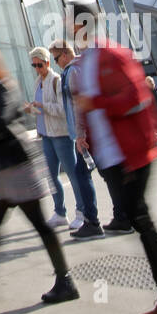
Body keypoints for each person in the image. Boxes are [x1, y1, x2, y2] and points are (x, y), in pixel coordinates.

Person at [69, 2, 157, 314]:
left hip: (131, 154)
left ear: (82, 24)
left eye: (70, 21)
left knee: (142, 221)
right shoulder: (87, 61)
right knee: (139, 221)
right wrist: (87, 137)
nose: (67, 27)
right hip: (111, 157)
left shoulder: (111, 54)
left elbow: (136, 99)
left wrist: (95, 103)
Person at [0, 45, 79, 304]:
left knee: (38, 224)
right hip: (4, 169)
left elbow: (2, 120)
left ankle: (66, 280)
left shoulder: (3, 87)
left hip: (17, 167)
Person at [23, 47, 84, 231]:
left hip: (60, 134)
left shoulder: (57, 80)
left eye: (39, 64)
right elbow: (43, 109)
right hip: (46, 135)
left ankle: (82, 212)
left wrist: (43, 106)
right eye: (33, 65)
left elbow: (63, 109)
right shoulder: (37, 83)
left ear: (48, 62)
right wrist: (32, 108)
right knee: (51, 176)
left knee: (73, 174)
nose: (37, 68)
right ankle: (60, 212)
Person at [49, 41, 104, 239]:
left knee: (82, 174)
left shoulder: (72, 72)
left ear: (65, 54)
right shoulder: (75, 70)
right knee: (89, 173)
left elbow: (79, 106)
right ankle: (102, 216)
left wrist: (80, 135)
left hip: (84, 133)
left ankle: (91, 219)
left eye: (55, 58)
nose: (56, 63)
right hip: (84, 131)